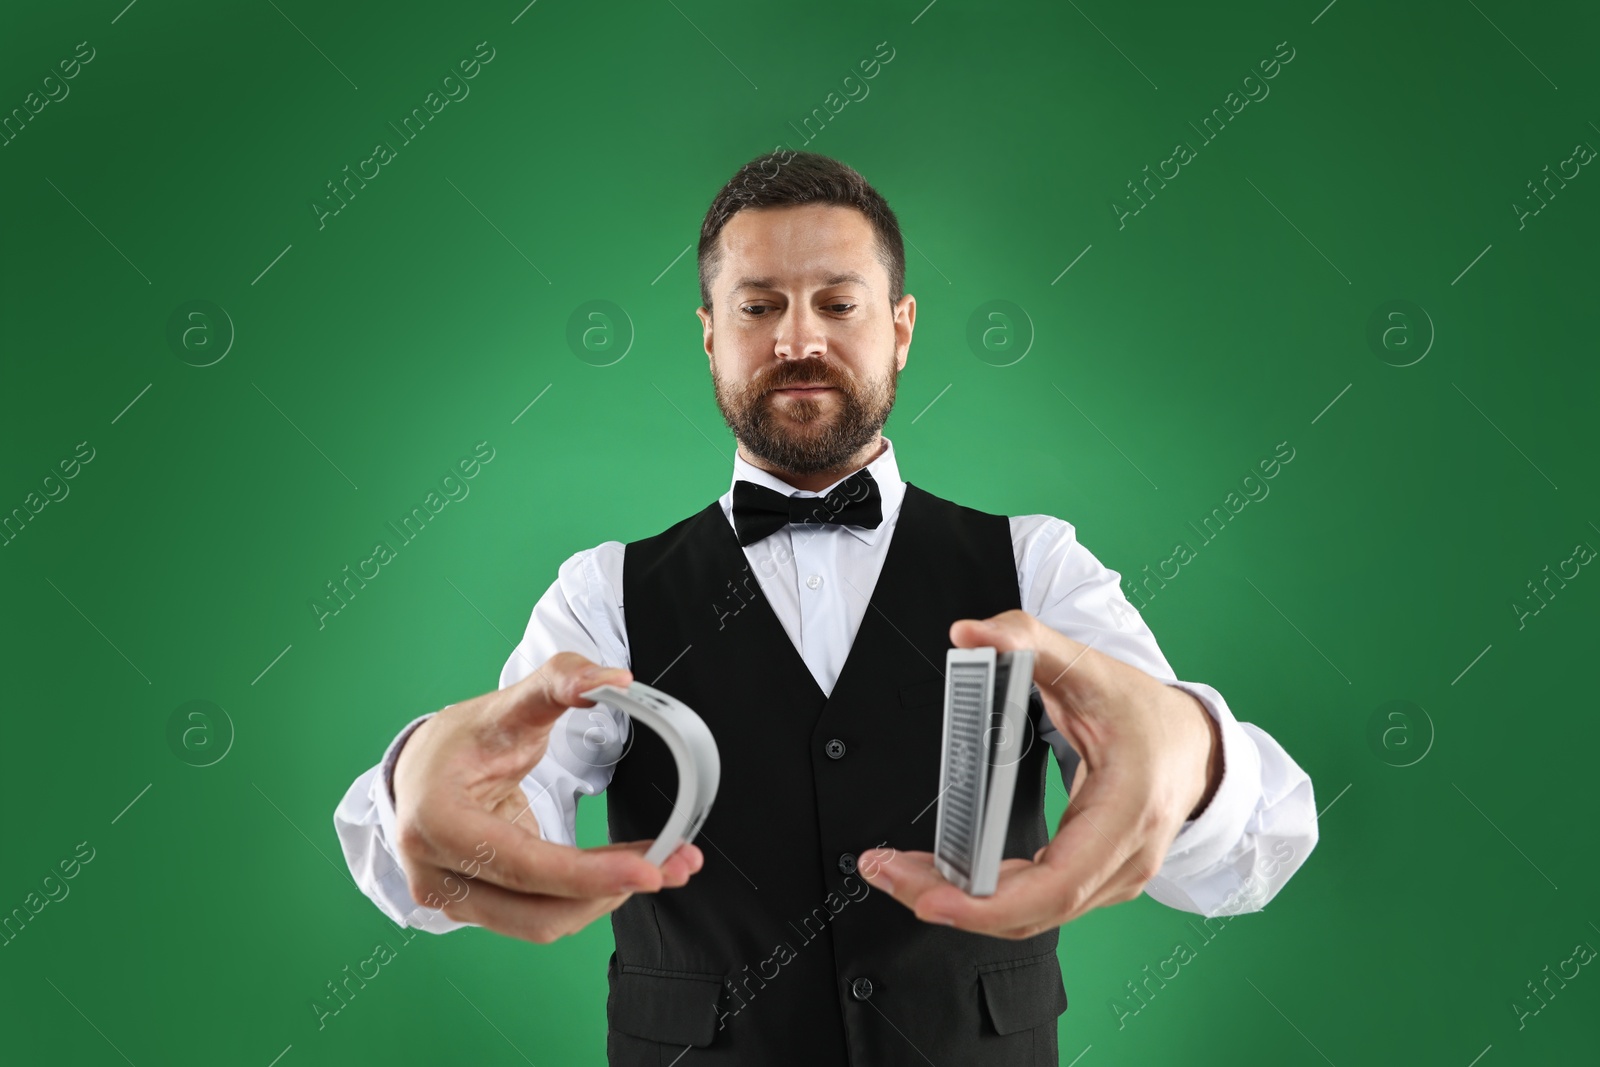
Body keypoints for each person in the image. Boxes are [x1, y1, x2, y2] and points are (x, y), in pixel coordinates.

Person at [333, 150, 1319, 1065]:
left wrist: (1192, 751)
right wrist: (423, 784)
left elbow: (1248, 856)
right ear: (710, 334)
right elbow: (485, 827)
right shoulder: (603, 592)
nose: (797, 336)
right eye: (759, 306)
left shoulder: (1037, 564)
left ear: (898, 327)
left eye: (836, 303)